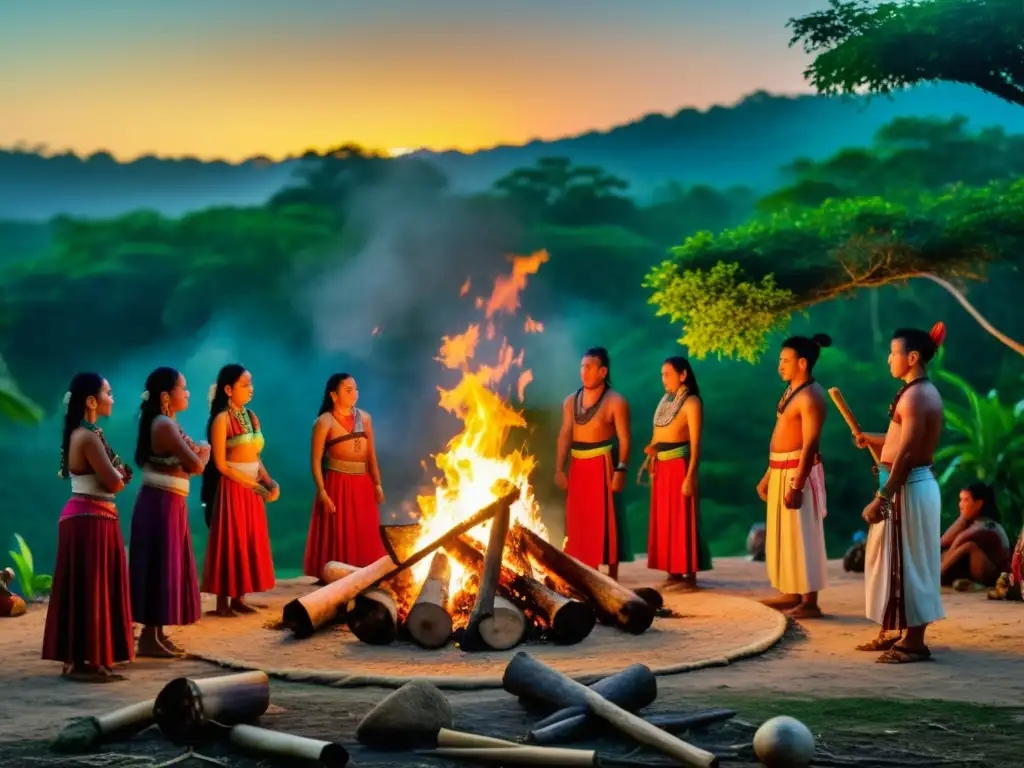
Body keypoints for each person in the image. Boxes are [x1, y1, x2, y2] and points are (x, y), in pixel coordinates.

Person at [853, 323, 947, 663]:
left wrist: (883, 496)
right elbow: (899, 442)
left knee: (908, 563)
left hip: (906, 489)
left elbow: (907, 453)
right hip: (903, 486)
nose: (889, 360)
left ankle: (915, 642)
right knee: (892, 560)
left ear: (912, 357)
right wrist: (873, 441)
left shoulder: (919, 396)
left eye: (893, 353)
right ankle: (896, 628)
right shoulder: (915, 392)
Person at [42, 373, 134, 682]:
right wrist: (119, 475)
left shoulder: (87, 433)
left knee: (87, 587)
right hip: (90, 518)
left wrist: (118, 476)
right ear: (91, 401)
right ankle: (89, 660)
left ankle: (83, 658)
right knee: (93, 588)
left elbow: (116, 477)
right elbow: (114, 481)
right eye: (108, 393)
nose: (113, 398)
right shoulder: (88, 437)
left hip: (90, 516)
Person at [129, 367, 210, 657]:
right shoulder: (163, 424)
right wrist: (203, 450)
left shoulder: (167, 421)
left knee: (166, 566)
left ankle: (157, 634)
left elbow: (190, 461)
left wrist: (196, 453)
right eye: (182, 388)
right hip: (160, 505)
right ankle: (150, 637)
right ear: (166, 395)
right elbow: (197, 465)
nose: (187, 393)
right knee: (160, 566)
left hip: (169, 503)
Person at [756, 334, 831, 618]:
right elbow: (781, 438)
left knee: (803, 536)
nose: (780, 366)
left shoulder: (811, 396)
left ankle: (810, 602)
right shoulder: (791, 392)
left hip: (797, 471)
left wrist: (797, 484)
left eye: (785, 361)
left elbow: (810, 442)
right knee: (784, 536)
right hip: (780, 468)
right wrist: (768, 475)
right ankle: (791, 592)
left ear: (802, 363)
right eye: (780, 360)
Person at [200, 364, 278, 617]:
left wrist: (268, 480)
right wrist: (253, 484)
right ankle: (222, 602)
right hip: (231, 488)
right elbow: (220, 464)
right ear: (228, 389)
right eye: (245, 384)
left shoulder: (251, 416)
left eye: (250, 383)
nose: (250, 389)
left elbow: (256, 455)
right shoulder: (222, 418)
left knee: (247, 540)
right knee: (230, 540)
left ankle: (239, 598)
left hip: (251, 487)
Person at [555, 347, 632, 580]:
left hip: (604, 463)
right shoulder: (570, 401)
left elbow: (625, 438)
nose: (584, 371)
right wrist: (559, 468)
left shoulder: (616, 401)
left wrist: (621, 469)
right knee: (579, 521)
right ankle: (583, 573)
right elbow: (565, 434)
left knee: (608, 520)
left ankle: (613, 575)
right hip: (578, 464)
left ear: (603, 371)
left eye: (589, 367)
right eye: (582, 366)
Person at [303, 373, 387, 579]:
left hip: (362, 483)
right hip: (337, 483)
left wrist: (377, 484)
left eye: (355, 389)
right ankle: (335, 576)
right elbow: (315, 461)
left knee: (364, 530)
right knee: (338, 532)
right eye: (348, 390)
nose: (354, 394)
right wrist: (322, 491)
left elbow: (371, 456)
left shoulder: (365, 418)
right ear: (333, 395)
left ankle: (365, 575)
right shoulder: (325, 421)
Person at [643, 356, 711, 588]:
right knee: (665, 518)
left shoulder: (692, 403)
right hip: (661, 466)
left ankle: (689, 575)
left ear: (683, 375)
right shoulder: (664, 401)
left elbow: (696, 443)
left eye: (668, 374)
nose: (664, 379)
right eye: (662, 374)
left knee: (684, 518)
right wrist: (651, 459)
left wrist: (690, 475)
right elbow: (657, 433)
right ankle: (673, 572)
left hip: (680, 466)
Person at [939, 482, 1011, 588]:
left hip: (995, 573)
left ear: (978, 504)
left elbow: (960, 540)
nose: (960, 505)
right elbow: (944, 541)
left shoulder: (987, 525)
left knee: (968, 546)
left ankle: (936, 576)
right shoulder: (973, 522)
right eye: (960, 500)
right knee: (946, 553)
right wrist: (963, 519)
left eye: (966, 500)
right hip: (975, 568)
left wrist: (942, 567)